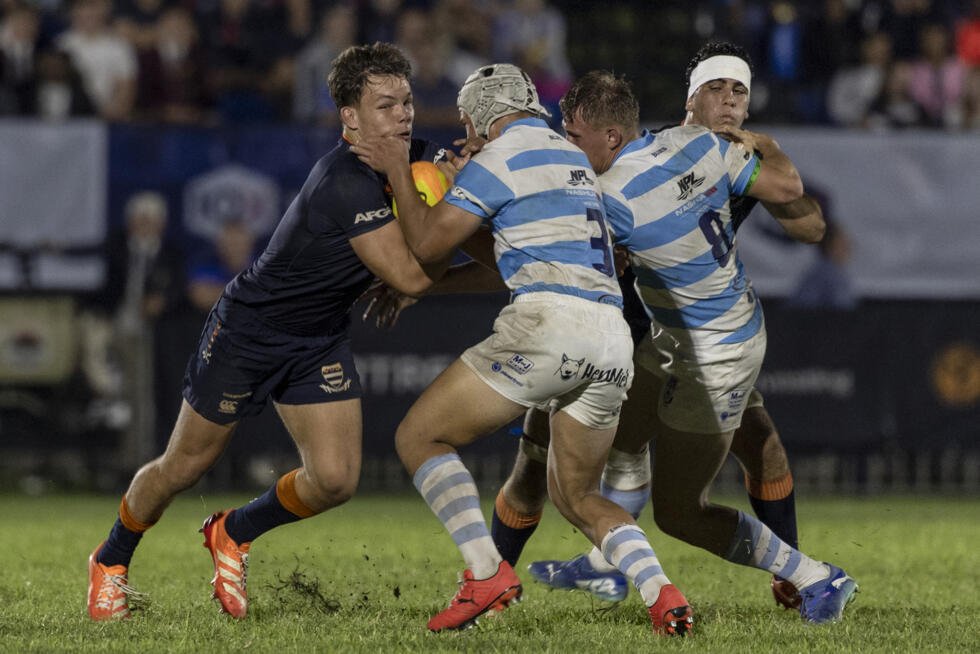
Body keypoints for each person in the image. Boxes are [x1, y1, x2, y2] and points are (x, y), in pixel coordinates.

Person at [493, 44, 858, 626]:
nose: (729, 101)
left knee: (678, 507)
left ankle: (811, 575)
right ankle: (598, 562)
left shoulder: (632, 187)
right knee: (592, 439)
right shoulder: (702, 148)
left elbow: (807, 218)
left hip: (709, 350)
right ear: (691, 100)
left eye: (739, 91)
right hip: (670, 328)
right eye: (717, 89)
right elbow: (796, 200)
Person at [86, 42, 452, 621]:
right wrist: (420, 255)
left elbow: (462, 177)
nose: (403, 115)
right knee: (184, 465)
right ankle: (110, 559)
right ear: (350, 117)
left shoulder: (416, 157)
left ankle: (233, 531)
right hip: (249, 332)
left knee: (334, 481)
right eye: (385, 106)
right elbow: (410, 274)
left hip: (318, 338)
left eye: (406, 102)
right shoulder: (343, 180)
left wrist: (471, 161)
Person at [350, 63, 693, 637]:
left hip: (550, 325)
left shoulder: (500, 158)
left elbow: (427, 243)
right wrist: (461, 209)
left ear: (485, 112)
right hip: (611, 337)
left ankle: (486, 573)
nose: (467, 134)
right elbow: (507, 256)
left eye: (469, 122)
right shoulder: (572, 158)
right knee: (578, 496)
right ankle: (665, 595)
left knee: (418, 437)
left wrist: (398, 172)